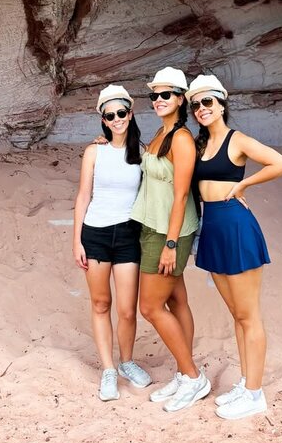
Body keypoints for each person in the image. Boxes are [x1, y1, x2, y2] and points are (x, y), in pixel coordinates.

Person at [187, 73, 282, 421]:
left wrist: (245, 184)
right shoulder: (200, 145)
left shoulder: (238, 140)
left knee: (249, 315)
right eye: (196, 104)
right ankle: (247, 383)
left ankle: (255, 394)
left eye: (207, 102)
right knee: (237, 314)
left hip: (235, 225)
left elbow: (281, 164)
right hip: (212, 227)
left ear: (221, 104)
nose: (201, 108)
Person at [130, 67, 210, 413]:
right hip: (152, 225)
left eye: (166, 95)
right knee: (177, 301)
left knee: (150, 307)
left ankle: (193, 377)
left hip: (168, 231)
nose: (159, 100)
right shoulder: (161, 133)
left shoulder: (181, 139)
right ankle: (183, 371)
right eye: (154, 95)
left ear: (180, 99)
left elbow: (180, 196)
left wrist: (171, 244)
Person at [72, 84, 152, 401]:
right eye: (110, 115)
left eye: (122, 113)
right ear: (103, 120)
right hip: (96, 233)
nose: (117, 119)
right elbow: (83, 196)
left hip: (129, 234)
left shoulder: (142, 153)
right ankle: (108, 369)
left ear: (130, 114)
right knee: (101, 304)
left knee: (127, 309)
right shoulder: (94, 151)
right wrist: (77, 241)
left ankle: (127, 362)